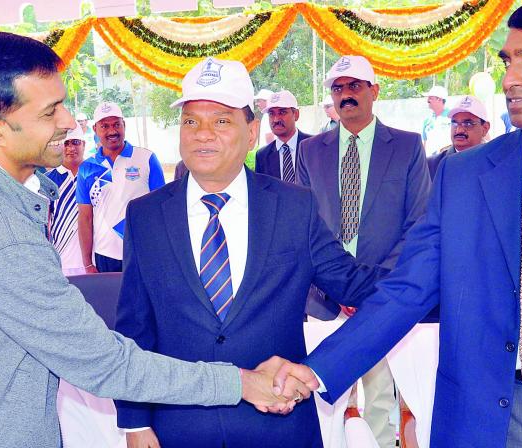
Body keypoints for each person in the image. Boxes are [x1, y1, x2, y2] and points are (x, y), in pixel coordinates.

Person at [0, 30, 306, 448]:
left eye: (62, 103)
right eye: (50, 113)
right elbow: (106, 363)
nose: (69, 122)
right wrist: (242, 382)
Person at [279, 1, 522, 446]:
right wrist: (318, 369)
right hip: (492, 418)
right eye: (509, 61)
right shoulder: (465, 176)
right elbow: (407, 290)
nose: (511, 78)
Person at [114, 57, 382, 448]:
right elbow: (135, 327)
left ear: (251, 132)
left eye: (221, 121)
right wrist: (134, 423)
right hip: (180, 430)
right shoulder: (145, 215)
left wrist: (446, 270)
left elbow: (360, 289)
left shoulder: (294, 207)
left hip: (279, 425)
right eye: (191, 121)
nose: (203, 134)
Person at [297, 55, 431, 448]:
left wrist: (370, 288)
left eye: (355, 86)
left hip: (382, 295)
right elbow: (304, 225)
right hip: (323, 297)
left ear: (375, 91)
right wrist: (340, 285)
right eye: (338, 88)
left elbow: (418, 223)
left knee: (380, 397)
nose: (346, 95)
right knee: (324, 398)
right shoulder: (311, 150)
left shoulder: (406, 146)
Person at [76, 102, 166, 273]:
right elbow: (85, 218)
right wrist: (87, 263)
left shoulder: (146, 159)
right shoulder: (87, 168)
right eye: (105, 126)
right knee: (110, 300)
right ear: (95, 129)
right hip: (104, 255)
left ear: (124, 125)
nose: (112, 131)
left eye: (116, 124)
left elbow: (160, 210)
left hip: (141, 252)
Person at [46, 126, 86, 276]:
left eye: (75, 142)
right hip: (60, 262)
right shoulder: (47, 181)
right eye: (66, 143)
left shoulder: (98, 174)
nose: (70, 148)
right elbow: (45, 223)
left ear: (84, 144)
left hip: (94, 262)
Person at [427, 95, 491, 179]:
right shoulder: (432, 165)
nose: (459, 130)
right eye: (455, 123)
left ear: (485, 128)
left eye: (468, 124)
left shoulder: (496, 162)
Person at [254, 89, 311, 183]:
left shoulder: (314, 146)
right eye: (271, 114)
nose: (276, 119)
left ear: (296, 114)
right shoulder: (262, 156)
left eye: (282, 112)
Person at [420, 85, 450, 156]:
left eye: (430, 98)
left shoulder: (452, 117)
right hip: (431, 162)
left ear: (439, 99)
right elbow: (425, 142)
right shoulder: (427, 121)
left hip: (448, 159)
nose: (427, 101)